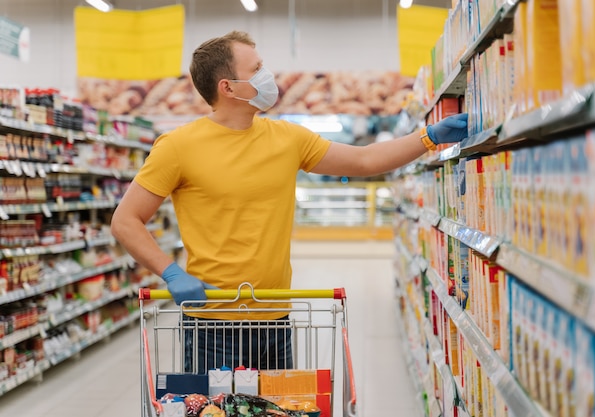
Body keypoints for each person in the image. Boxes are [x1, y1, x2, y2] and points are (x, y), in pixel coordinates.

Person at [110, 30, 468, 372]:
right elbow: (126, 220)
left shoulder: (287, 138)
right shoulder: (178, 147)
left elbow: (365, 160)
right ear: (228, 87)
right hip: (212, 323)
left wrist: (429, 137)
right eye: (257, 69)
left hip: (275, 317)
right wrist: (170, 272)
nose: (268, 76)